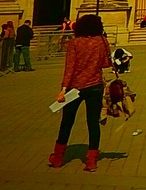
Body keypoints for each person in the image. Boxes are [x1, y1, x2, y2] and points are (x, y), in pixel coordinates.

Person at [48, 14, 112, 172]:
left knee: (67, 122)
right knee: (93, 123)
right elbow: (106, 64)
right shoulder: (101, 42)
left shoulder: (74, 43)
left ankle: (58, 157)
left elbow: (69, 67)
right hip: (95, 86)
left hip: (74, 88)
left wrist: (63, 89)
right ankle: (91, 161)